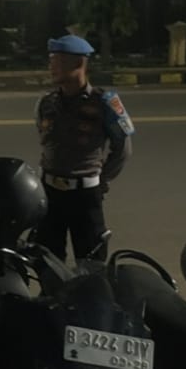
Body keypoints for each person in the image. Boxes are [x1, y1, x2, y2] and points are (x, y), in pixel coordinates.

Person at [33, 34, 134, 262]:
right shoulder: (46, 102)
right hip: (49, 194)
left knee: (91, 262)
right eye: (51, 61)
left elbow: (123, 149)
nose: (51, 67)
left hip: (85, 197)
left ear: (78, 63)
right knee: (47, 260)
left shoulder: (106, 102)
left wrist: (101, 180)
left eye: (57, 61)